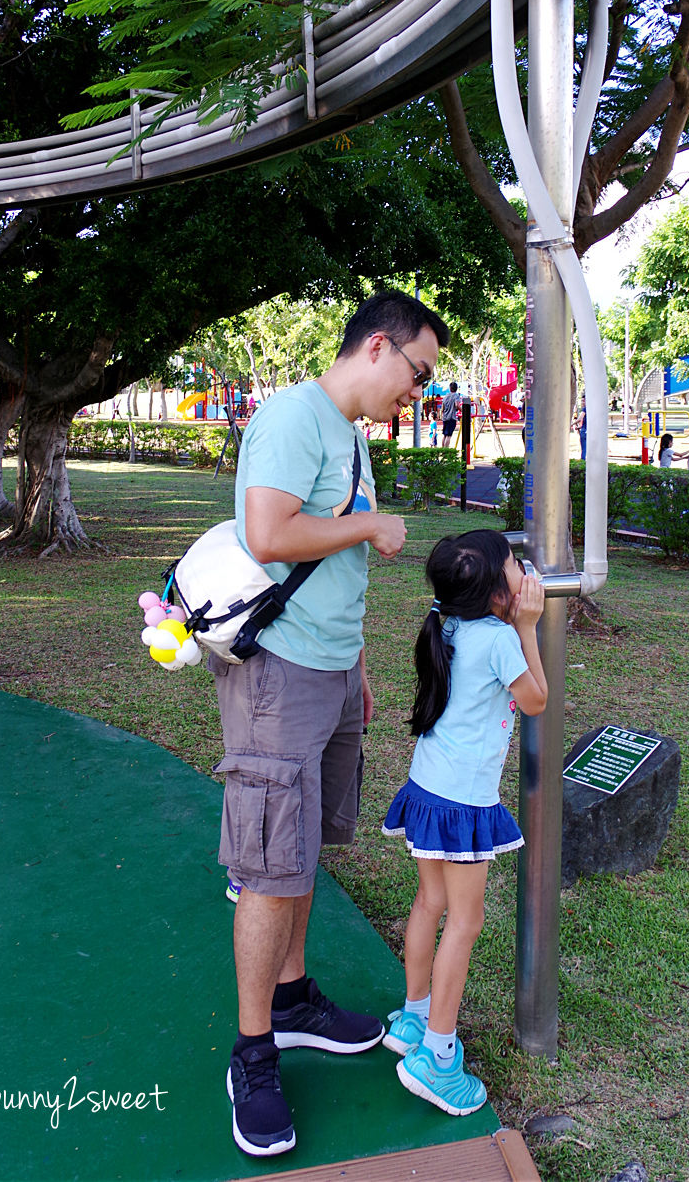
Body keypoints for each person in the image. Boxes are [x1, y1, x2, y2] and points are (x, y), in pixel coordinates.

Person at [212, 290, 449, 1159]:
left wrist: (355, 673)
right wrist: (372, 522)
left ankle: (293, 996)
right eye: (416, 374)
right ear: (378, 347)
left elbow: (331, 567)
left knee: (303, 846)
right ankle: (252, 1050)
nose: (416, 394)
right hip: (278, 677)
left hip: (328, 673)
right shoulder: (291, 416)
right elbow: (269, 533)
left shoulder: (350, 436)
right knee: (271, 862)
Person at [380, 531, 548, 1116]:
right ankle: (438, 1055)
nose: (523, 571)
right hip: (464, 804)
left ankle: (414, 1013)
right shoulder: (501, 639)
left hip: (427, 786)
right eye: (514, 566)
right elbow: (536, 700)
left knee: (430, 903)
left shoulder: (445, 623)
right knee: (465, 922)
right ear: (499, 593)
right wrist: (528, 626)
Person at [440, 382, 460, 447]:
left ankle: (442, 449)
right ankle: (446, 450)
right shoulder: (456, 396)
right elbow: (457, 405)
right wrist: (462, 410)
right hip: (451, 417)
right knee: (449, 435)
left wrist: (441, 416)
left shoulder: (446, 396)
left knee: (445, 435)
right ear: (456, 388)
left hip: (445, 418)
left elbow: (442, 408)